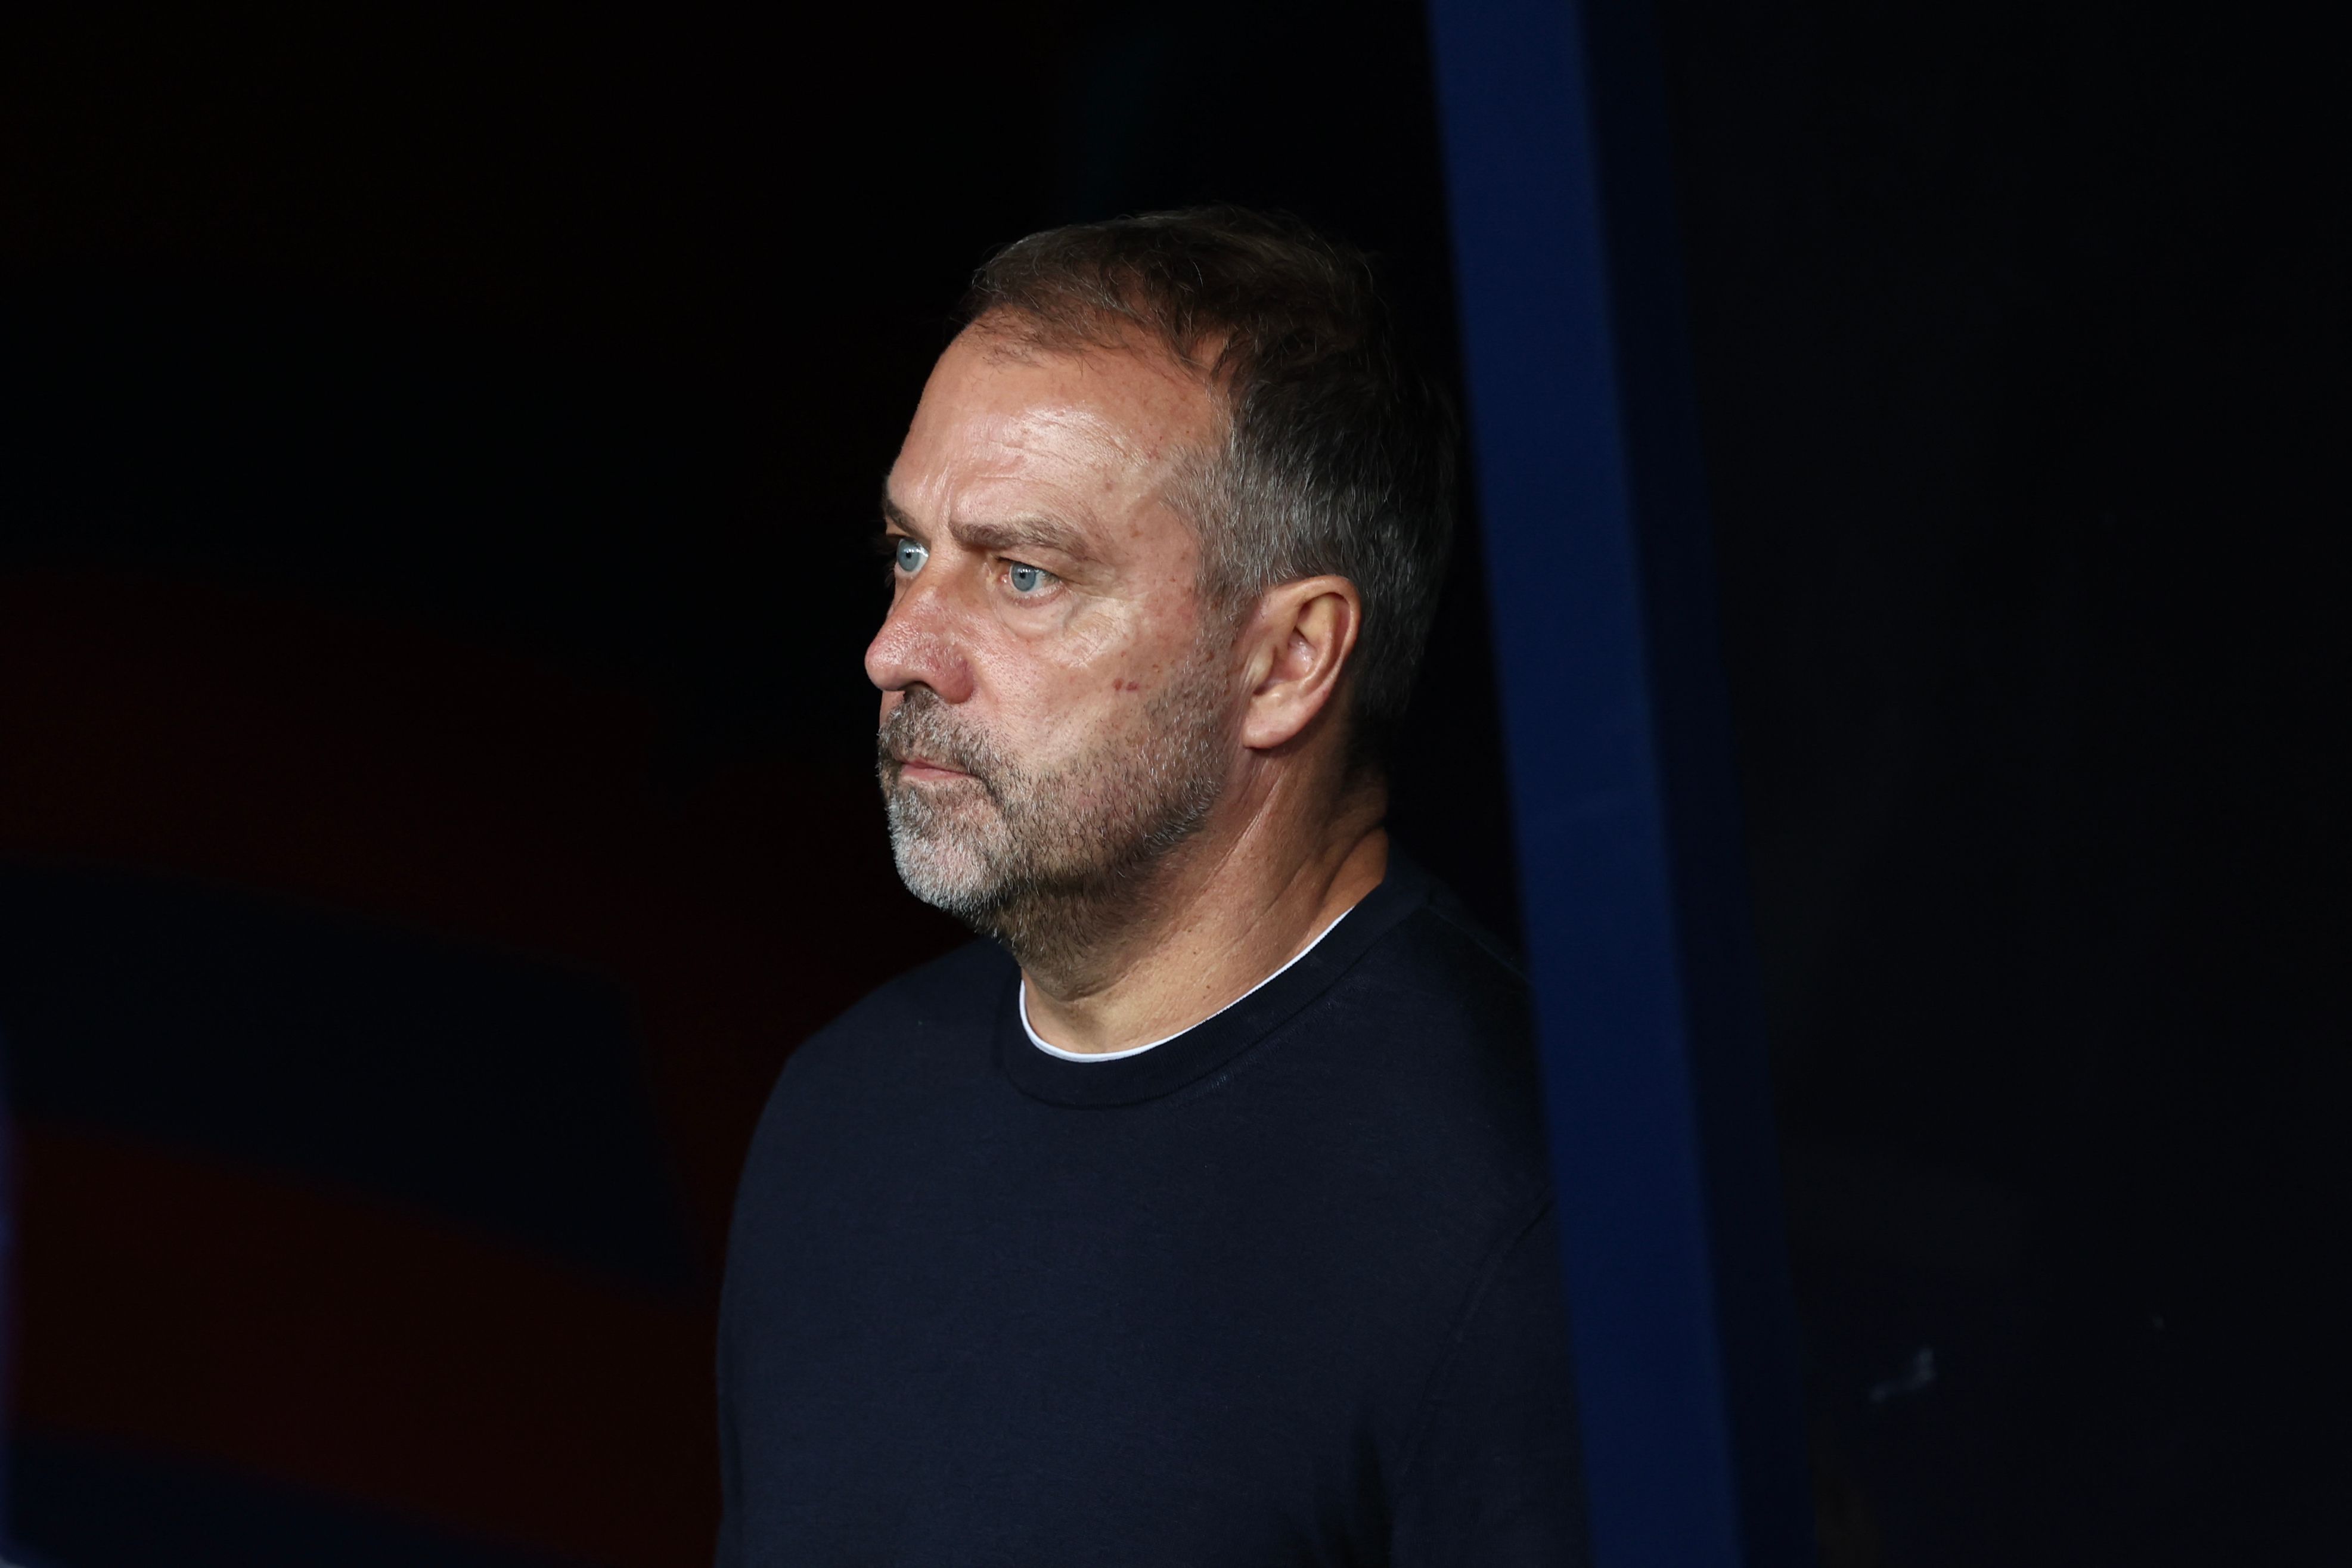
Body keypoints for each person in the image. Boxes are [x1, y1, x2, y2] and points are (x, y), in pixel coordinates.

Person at [715, 208, 1586, 1566]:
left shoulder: (1520, 1230)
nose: (898, 648)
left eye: (1020, 572)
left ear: (1289, 659)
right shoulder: (847, 1108)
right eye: (906, 551)